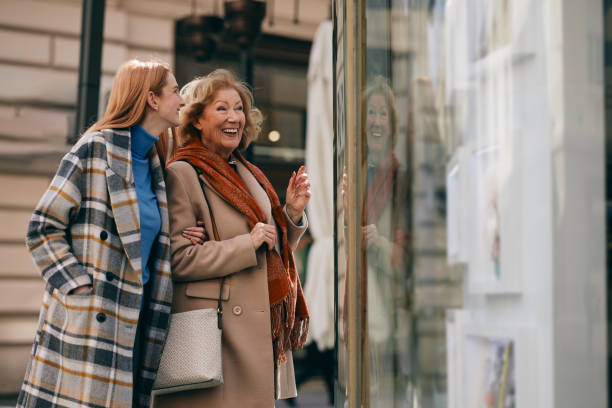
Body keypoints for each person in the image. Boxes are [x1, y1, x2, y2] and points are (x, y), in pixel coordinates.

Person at [16, 59, 205, 408]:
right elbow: (42, 227)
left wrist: (179, 238)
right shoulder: (95, 150)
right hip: (93, 321)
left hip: (141, 319)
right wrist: (78, 284)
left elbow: (145, 241)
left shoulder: (155, 165)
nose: (181, 100)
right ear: (151, 99)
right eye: (176, 91)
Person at [154, 68, 311, 408]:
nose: (234, 117)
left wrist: (292, 215)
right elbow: (178, 259)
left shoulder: (247, 172)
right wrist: (248, 243)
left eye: (239, 108)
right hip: (218, 336)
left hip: (254, 326)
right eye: (222, 108)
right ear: (196, 119)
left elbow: (272, 247)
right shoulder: (182, 174)